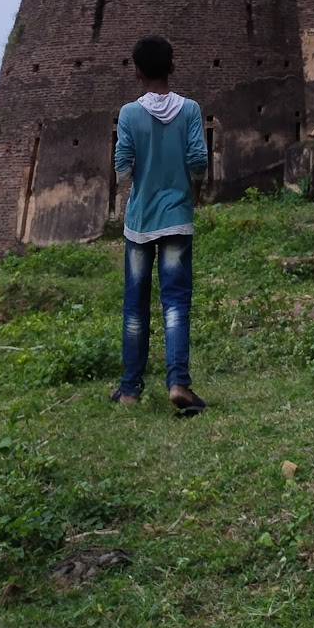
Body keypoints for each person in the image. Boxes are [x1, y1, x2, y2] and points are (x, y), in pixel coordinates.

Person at [109, 34, 209, 414]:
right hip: (178, 220)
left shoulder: (130, 114)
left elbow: (122, 167)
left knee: (135, 305)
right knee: (176, 302)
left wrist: (139, 182)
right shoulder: (191, 110)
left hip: (139, 223)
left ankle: (130, 389)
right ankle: (178, 383)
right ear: (172, 66)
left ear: (136, 71)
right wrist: (191, 188)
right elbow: (198, 159)